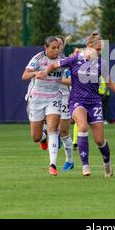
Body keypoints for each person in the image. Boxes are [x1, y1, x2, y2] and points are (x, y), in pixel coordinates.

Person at [37, 32, 115, 178]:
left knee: (100, 140)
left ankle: (107, 163)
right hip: (77, 100)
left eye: (102, 50)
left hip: (94, 102)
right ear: (89, 46)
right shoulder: (75, 59)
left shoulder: (101, 63)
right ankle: (85, 166)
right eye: (99, 49)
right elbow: (54, 65)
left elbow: (109, 83)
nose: (101, 52)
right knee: (81, 126)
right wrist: (45, 72)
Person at [21, 36, 73, 176]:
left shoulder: (62, 60)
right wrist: (36, 73)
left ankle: (52, 165)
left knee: (53, 129)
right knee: (35, 137)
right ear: (46, 48)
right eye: (53, 48)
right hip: (37, 98)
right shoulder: (38, 58)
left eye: (58, 47)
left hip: (54, 97)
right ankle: (42, 138)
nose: (56, 50)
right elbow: (24, 75)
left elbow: (71, 76)